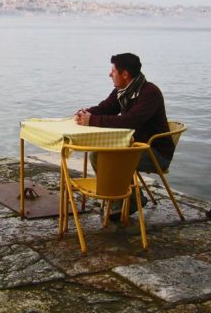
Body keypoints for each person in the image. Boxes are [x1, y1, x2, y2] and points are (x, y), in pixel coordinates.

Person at [74, 52, 174, 216]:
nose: (109, 74)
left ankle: (124, 201)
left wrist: (92, 120)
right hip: (134, 147)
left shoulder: (150, 93)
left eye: (113, 71)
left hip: (155, 153)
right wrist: (86, 113)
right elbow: (106, 108)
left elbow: (129, 121)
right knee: (98, 155)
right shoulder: (123, 91)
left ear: (125, 74)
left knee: (102, 157)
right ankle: (131, 198)